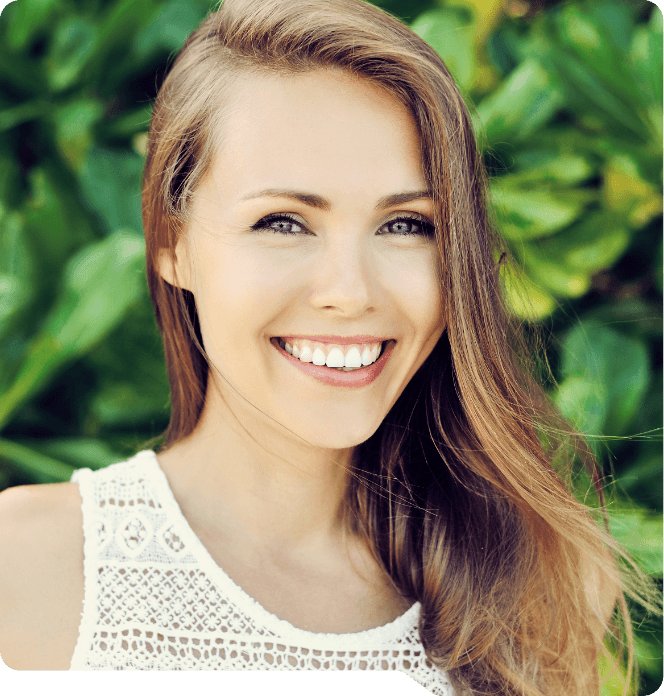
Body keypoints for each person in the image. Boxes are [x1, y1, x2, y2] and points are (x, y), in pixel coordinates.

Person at [0, 0, 656, 691]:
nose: (351, 291)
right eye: (283, 222)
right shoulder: (25, 569)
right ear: (173, 244)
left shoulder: (546, 591)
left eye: (406, 225)